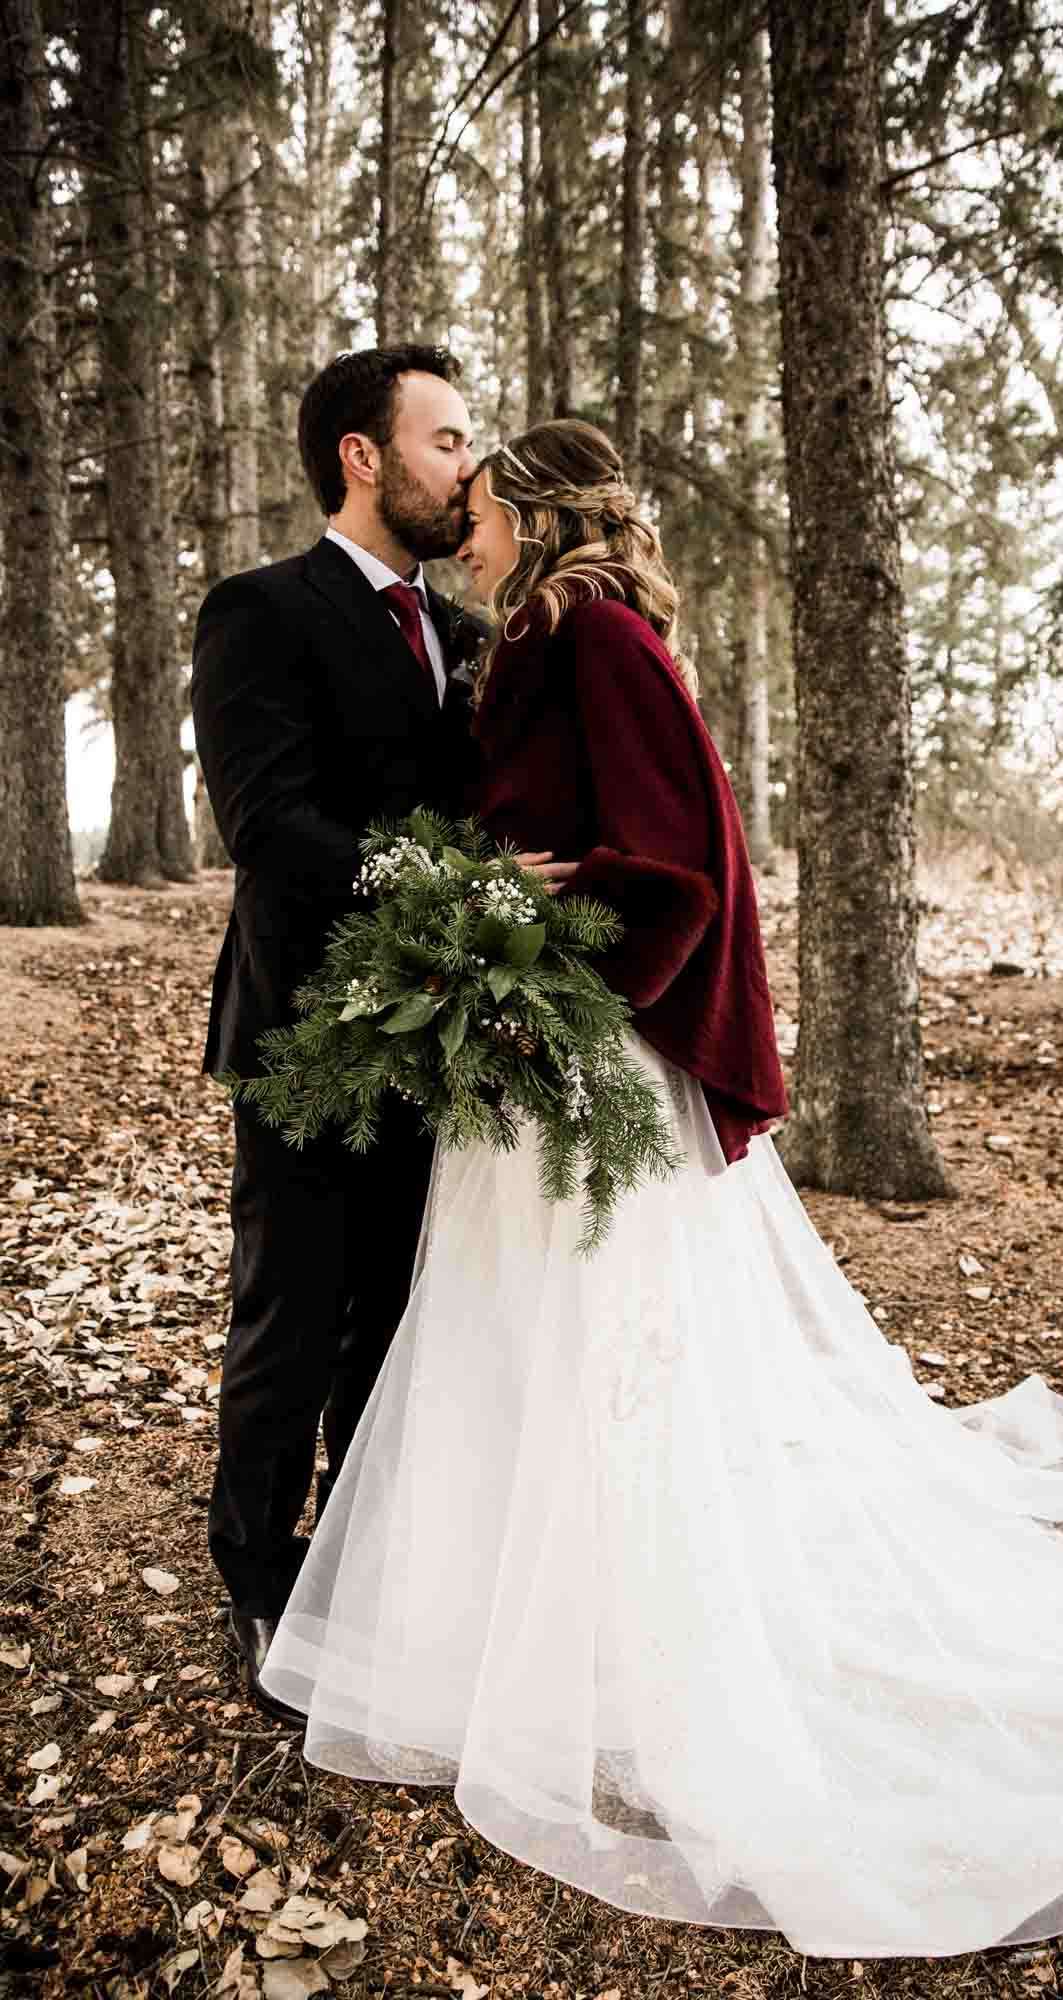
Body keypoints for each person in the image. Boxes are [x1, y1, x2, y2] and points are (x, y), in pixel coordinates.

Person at [260, 421, 1063, 1957]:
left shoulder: (593, 630)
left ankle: (642, 1644)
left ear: (537, 516)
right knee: (521, 1330)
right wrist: (487, 912)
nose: (461, 527)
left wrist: (547, 957)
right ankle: (520, 1626)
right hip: (528, 1046)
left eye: (479, 505)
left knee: (608, 1336)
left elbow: (675, 863)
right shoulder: (548, 634)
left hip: (582, 1052)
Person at [191, 347, 573, 1726]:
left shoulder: (471, 638)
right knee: (290, 1316)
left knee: (401, 1321)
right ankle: (254, 1577)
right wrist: (458, 889)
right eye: (445, 438)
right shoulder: (262, 612)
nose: (468, 466)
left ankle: (363, 1569)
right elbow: (271, 827)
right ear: (363, 456)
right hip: (305, 1028)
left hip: (448, 1041)